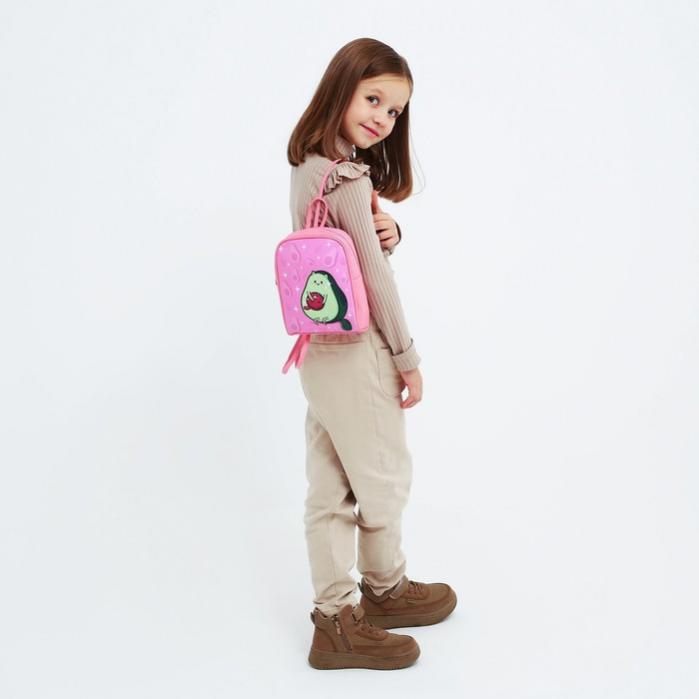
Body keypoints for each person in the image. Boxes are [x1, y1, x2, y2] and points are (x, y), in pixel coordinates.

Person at [287, 38, 457, 671]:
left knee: (331, 483)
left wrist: (389, 230)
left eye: (394, 111)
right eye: (374, 99)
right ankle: (381, 592)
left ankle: (336, 615)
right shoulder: (348, 178)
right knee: (382, 476)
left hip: (317, 348)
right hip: (359, 350)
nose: (383, 118)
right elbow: (375, 281)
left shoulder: (309, 165)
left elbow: (344, 255)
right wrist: (407, 356)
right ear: (342, 89)